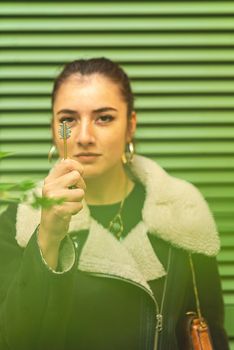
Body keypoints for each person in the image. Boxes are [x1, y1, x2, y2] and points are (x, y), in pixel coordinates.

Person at [0, 57, 229, 350]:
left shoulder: (181, 212)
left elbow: (211, 334)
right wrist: (48, 234)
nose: (84, 137)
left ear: (130, 126)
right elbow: (11, 339)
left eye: (104, 118)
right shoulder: (19, 221)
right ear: (54, 129)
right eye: (68, 119)